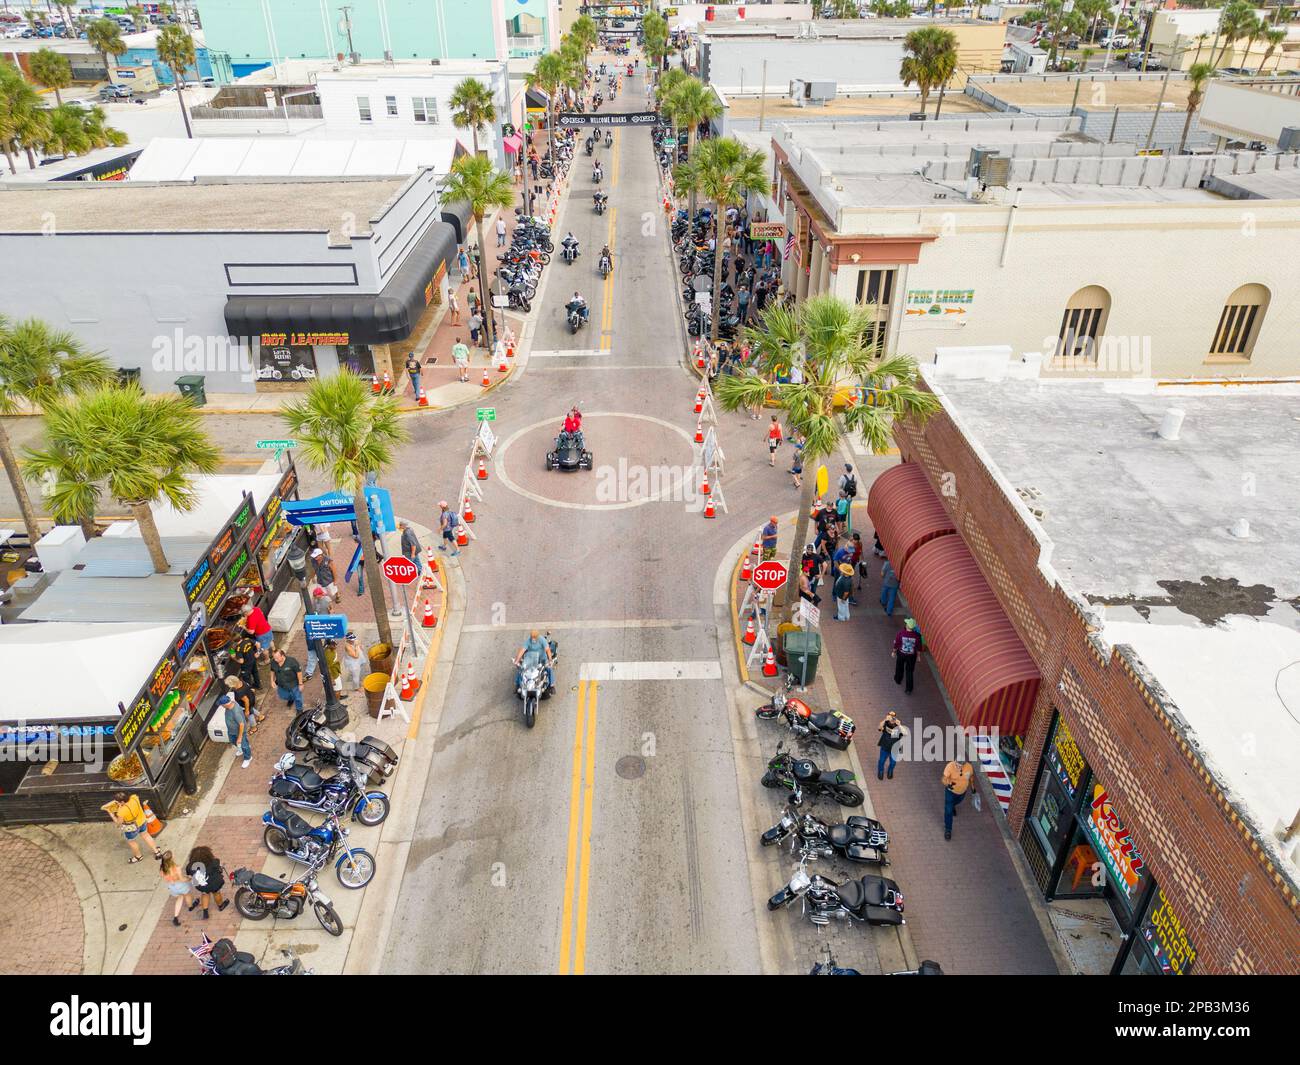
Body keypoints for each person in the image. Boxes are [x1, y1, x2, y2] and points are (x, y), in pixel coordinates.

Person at [101, 791, 161, 864]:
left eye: (118, 802)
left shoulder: (121, 811)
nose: (117, 803)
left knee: (131, 841)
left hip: (132, 828)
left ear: (122, 802)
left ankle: (138, 856)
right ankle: (157, 852)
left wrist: (111, 814)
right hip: (142, 821)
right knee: (146, 835)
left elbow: (118, 823)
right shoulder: (134, 798)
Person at [185, 845, 230, 919]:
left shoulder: (190, 866)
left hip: (201, 885)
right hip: (213, 883)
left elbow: (189, 875)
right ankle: (221, 905)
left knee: (205, 894)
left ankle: (205, 912)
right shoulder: (214, 862)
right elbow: (218, 866)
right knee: (216, 893)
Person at [942, 755, 975, 840]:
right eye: (956, 764)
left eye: (959, 766)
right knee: (948, 810)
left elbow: (971, 777)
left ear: (964, 764)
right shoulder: (950, 766)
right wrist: (948, 785)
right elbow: (944, 779)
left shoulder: (969, 767)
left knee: (959, 801)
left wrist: (973, 787)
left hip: (962, 792)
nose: (957, 766)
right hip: (951, 792)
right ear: (955, 761)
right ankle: (948, 829)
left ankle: (953, 805)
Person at [514, 629, 555, 694]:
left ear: (537, 636)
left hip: (542, 659)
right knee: (521, 669)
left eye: (534, 637)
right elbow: (522, 651)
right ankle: (517, 685)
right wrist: (517, 660)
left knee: (549, 668)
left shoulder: (542, 640)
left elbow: (547, 650)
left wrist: (550, 660)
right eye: (532, 637)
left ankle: (552, 686)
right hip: (531, 659)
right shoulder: (528, 641)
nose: (533, 639)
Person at [160, 851, 195, 927]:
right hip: (180, 885)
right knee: (187, 895)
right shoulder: (176, 868)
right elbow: (182, 879)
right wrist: (189, 878)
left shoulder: (162, 869)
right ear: (171, 858)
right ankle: (190, 907)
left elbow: (165, 878)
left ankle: (175, 917)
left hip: (171, 886)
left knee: (179, 897)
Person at [219, 688, 252, 769]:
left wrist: (240, 737)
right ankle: (241, 748)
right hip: (232, 731)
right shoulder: (229, 706)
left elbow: (241, 724)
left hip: (238, 732)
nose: (221, 706)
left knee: (244, 745)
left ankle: (248, 757)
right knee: (233, 741)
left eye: (222, 705)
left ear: (226, 704)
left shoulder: (235, 711)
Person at [892, 617, 922, 695]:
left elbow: (897, 644)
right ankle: (909, 689)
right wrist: (918, 656)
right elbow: (919, 647)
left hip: (901, 654)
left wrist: (894, 652)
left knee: (899, 667)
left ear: (907, 626)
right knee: (909, 671)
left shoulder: (901, 633)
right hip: (911, 656)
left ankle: (898, 679)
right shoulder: (917, 636)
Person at [271, 647, 304, 715]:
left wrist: (300, 684)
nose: (275, 660)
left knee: (297, 698)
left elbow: (299, 672)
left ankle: (299, 709)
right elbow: (272, 670)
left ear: (282, 656)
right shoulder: (273, 662)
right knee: (283, 696)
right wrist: (272, 680)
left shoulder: (292, 661)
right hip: (281, 685)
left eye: (277, 658)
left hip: (293, 684)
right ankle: (291, 698)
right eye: (274, 658)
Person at [877, 710, 907, 780]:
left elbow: (905, 733)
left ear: (895, 717)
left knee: (893, 763)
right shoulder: (886, 723)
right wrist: (885, 720)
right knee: (881, 761)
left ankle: (890, 771)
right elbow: (879, 727)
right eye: (890, 715)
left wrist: (899, 725)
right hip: (884, 746)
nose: (891, 718)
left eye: (893, 716)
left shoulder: (898, 726)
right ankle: (880, 771)